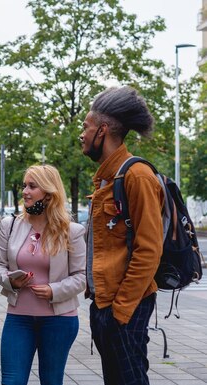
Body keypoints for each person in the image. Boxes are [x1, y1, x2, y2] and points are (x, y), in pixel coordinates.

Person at [80, 86, 164, 384]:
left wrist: (121, 311)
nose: (82, 134)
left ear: (102, 131)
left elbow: (149, 249)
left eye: (86, 127)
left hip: (124, 307)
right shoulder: (108, 177)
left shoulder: (136, 176)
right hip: (105, 304)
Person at [0, 165, 86, 385]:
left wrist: (54, 290)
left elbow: (81, 276)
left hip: (59, 320)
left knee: (51, 380)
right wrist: (10, 280)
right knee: (11, 380)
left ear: (49, 193)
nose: (25, 191)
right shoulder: (10, 225)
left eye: (32, 186)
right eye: (25, 185)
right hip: (18, 318)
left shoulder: (71, 231)